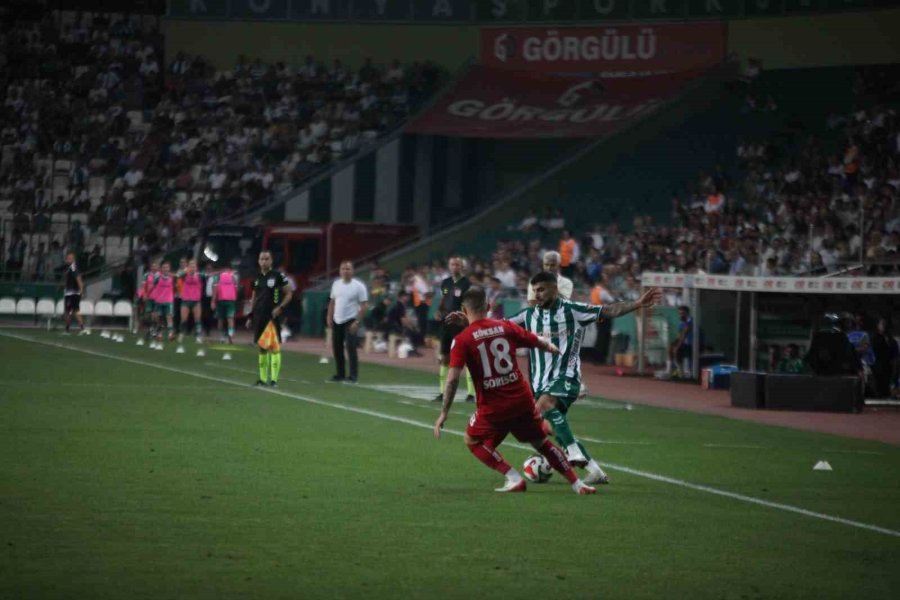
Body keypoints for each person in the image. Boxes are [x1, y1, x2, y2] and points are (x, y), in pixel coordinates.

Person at [433, 287, 596, 495]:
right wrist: (551, 348)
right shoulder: (506, 326)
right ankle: (578, 484)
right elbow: (536, 340)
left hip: (493, 407)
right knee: (541, 443)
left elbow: (452, 379)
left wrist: (444, 412)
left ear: (464, 310)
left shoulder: (462, 340)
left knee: (472, 440)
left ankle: (513, 478)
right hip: (522, 400)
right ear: (488, 306)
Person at [509, 272, 660, 484]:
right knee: (547, 427)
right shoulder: (528, 315)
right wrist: (471, 321)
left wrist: (637, 304)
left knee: (544, 405)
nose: (537, 295)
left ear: (554, 288)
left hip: (567, 376)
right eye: (535, 291)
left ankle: (572, 451)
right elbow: (497, 327)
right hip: (541, 384)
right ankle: (595, 470)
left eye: (541, 289)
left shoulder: (573, 310)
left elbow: (608, 310)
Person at [246, 251, 292, 387]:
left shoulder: (278, 276)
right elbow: (254, 297)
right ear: (258, 261)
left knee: (275, 347)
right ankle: (262, 379)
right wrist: (250, 315)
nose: (264, 261)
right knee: (262, 347)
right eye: (262, 259)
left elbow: (289, 293)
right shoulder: (256, 277)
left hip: (273, 316)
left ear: (271, 261)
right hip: (259, 316)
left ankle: (274, 380)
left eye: (267, 259)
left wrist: (280, 307)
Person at [433, 256, 474, 403]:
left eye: (457, 264)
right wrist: (439, 310)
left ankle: (471, 393)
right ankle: (442, 392)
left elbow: (469, 303)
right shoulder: (446, 283)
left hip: (461, 324)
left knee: (467, 358)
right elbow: (444, 299)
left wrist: (469, 319)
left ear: (462, 267)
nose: (454, 267)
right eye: (452, 264)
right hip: (447, 323)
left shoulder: (467, 284)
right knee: (444, 357)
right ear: (449, 266)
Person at [327, 261, 368, 383]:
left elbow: (364, 305)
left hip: (351, 320)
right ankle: (340, 374)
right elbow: (332, 302)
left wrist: (357, 322)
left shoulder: (359, 286)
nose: (345, 271)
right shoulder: (336, 284)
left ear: (352, 271)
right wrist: (329, 317)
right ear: (340, 271)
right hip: (337, 320)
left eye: (348, 269)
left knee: (351, 348)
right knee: (337, 348)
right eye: (343, 269)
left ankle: (353, 376)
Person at [176, 259, 205, 354]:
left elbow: (207, 275)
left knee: (197, 319)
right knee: (184, 319)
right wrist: (185, 271)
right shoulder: (184, 275)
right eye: (191, 266)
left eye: (194, 266)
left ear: (196, 268)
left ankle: (198, 336)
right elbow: (178, 276)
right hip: (186, 300)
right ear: (188, 267)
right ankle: (181, 334)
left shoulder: (200, 275)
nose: (192, 268)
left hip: (196, 300)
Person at [148, 261, 176, 347]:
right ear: (161, 269)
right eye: (164, 267)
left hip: (169, 300)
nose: (165, 269)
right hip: (159, 300)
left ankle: (170, 334)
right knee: (160, 318)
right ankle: (159, 333)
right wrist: (148, 294)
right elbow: (152, 286)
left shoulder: (172, 277)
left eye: (167, 267)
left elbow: (176, 286)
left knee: (169, 316)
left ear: (169, 268)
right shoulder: (157, 277)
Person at [211, 265, 239, 348]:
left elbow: (215, 288)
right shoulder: (234, 276)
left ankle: (222, 337)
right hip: (231, 300)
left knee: (221, 319)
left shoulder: (218, 277)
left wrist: (213, 301)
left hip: (221, 299)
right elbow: (236, 288)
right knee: (230, 318)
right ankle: (230, 336)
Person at [62, 252, 88, 335]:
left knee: (71, 311)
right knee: (72, 311)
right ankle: (76, 328)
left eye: (70, 258)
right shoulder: (69, 268)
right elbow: (67, 279)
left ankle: (70, 329)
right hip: (69, 292)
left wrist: (81, 291)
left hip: (73, 293)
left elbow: (79, 279)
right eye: (68, 258)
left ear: (73, 259)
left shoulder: (74, 268)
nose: (68, 259)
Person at [667, 306, 695, 377]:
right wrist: (673, 344)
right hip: (685, 344)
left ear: (687, 313)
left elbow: (684, 335)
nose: (680, 315)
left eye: (682, 313)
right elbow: (679, 336)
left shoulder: (691, 321)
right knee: (670, 348)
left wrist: (677, 346)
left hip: (693, 345)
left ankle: (681, 373)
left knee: (677, 350)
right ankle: (670, 370)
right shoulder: (681, 323)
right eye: (679, 313)